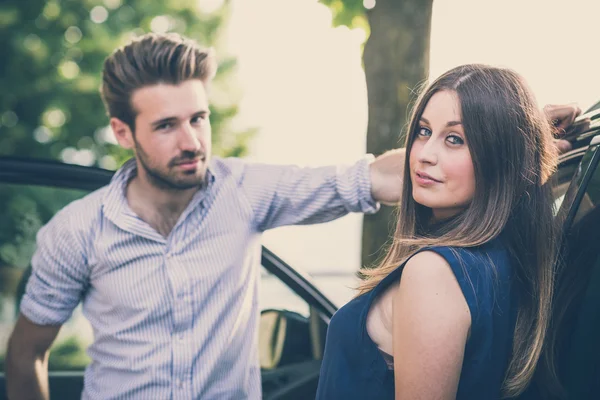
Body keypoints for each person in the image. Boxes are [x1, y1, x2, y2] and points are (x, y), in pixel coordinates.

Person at [4, 32, 405, 400]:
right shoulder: (76, 231)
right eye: (166, 126)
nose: (192, 141)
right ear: (123, 132)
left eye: (198, 118)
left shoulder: (245, 191)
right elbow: (26, 353)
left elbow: (371, 178)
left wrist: (457, 146)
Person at [315, 64, 566, 400]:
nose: (424, 155)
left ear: (499, 156)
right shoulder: (506, 261)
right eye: (423, 131)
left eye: (454, 139)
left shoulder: (433, 272)